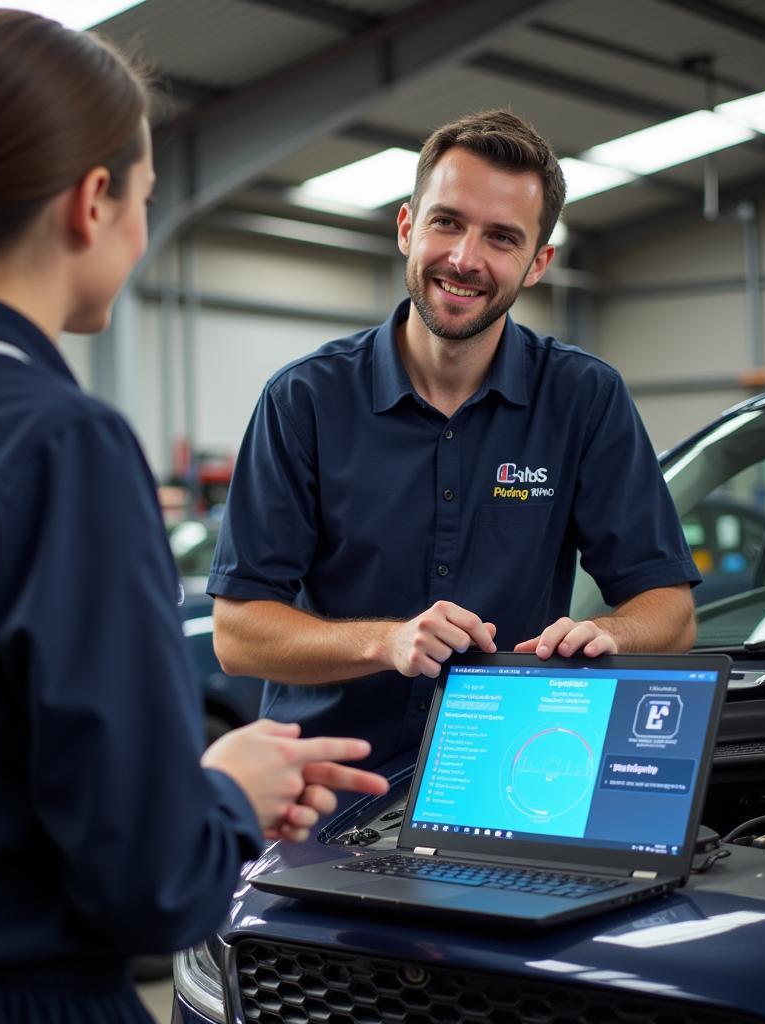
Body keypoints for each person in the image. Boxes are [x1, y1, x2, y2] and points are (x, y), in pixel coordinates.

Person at [0, 12, 388, 1023]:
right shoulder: (60, 447)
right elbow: (148, 887)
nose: (141, 229)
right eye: (144, 199)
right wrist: (226, 793)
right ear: (92, 203)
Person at [209, 109, 700, 771]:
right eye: (448, 222)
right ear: (408, 227)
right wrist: (386, 642)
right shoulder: (305, 400)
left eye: (502, 238)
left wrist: (607, 633)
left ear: (536, 264)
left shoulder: (584, 398)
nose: (466, 259)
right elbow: (239, 635)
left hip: (508, 776)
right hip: (330, 782)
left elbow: (670, 610)